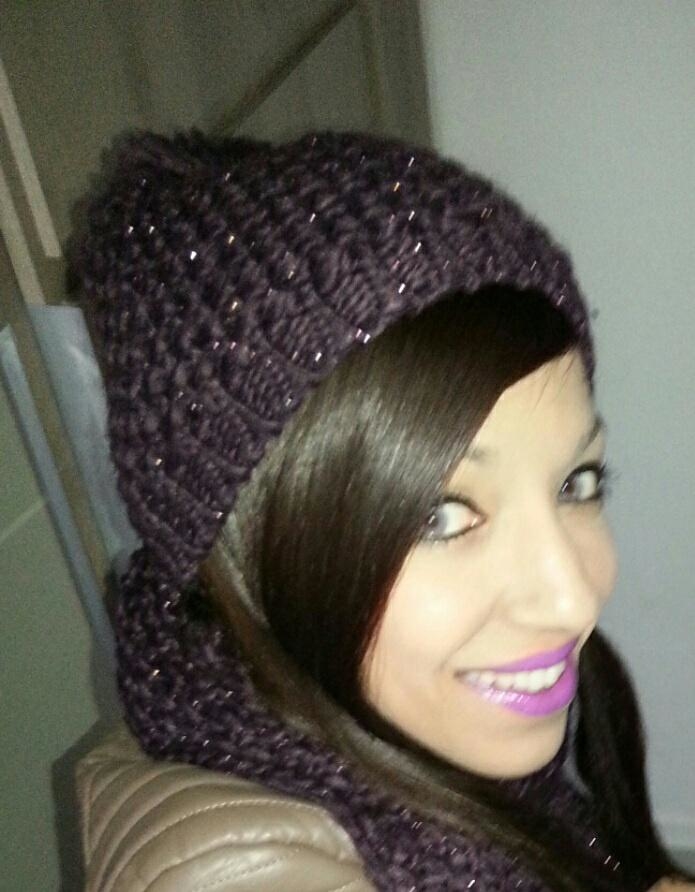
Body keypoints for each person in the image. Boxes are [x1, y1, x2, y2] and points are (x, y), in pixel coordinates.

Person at [66, 130, 693, 891]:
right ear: (248, 548)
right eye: (442, 516)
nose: (574, 599)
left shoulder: (397, 730)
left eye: (576, 483)